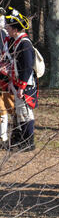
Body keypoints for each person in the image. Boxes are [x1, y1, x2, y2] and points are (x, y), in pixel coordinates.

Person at [3, 7, 37, 152]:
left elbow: (27, 68)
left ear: (15, 28)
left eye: (9, 26)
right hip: (16, 83)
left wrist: (21, 87)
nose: (6, 28)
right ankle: (17, 140)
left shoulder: (25, 44)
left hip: (25, 85)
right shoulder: (15, 42)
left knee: (25, 113)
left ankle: (28, 142)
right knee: (18, 113)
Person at [0, 13, 15, 149]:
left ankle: (7, 137)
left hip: (5, 77)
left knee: (8, 107)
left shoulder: (7, 36)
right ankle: (3, 137)